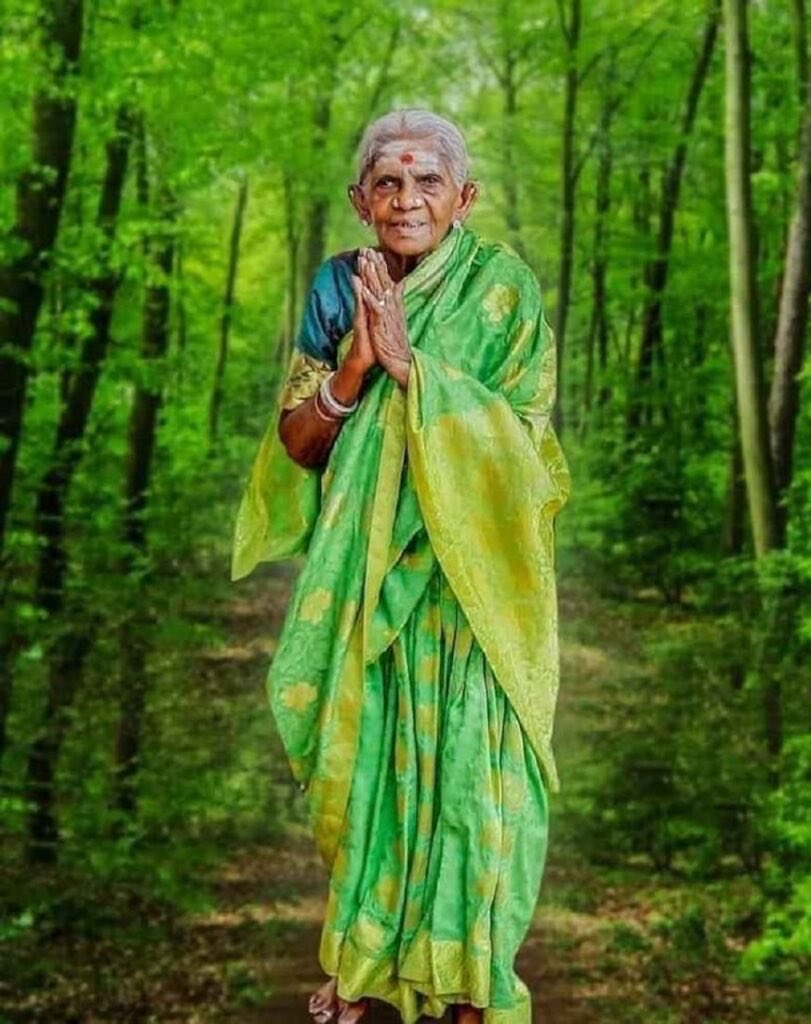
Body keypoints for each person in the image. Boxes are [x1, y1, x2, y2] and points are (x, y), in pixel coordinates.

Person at [231, 108, 571, 1024]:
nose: (407, 198)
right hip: (372, 576)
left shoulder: (502, 291)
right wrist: (356, 368)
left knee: (475, 781)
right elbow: (299, 443)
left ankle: (471, 984)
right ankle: (370, 956)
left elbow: (526, 449)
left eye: (427, 182)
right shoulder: (339, 289)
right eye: (388, 182)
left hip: (477, 587)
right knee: (375, 763)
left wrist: (419, 371)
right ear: (360, 199)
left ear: (465, 198)